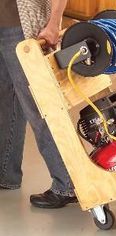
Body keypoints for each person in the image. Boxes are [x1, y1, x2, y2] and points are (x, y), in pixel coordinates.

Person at [0, 0, 78, 208]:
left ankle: (67, 184)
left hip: (20, 28)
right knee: (6, 100)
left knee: (39, 106)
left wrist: (54, 23)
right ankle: (6, 174)